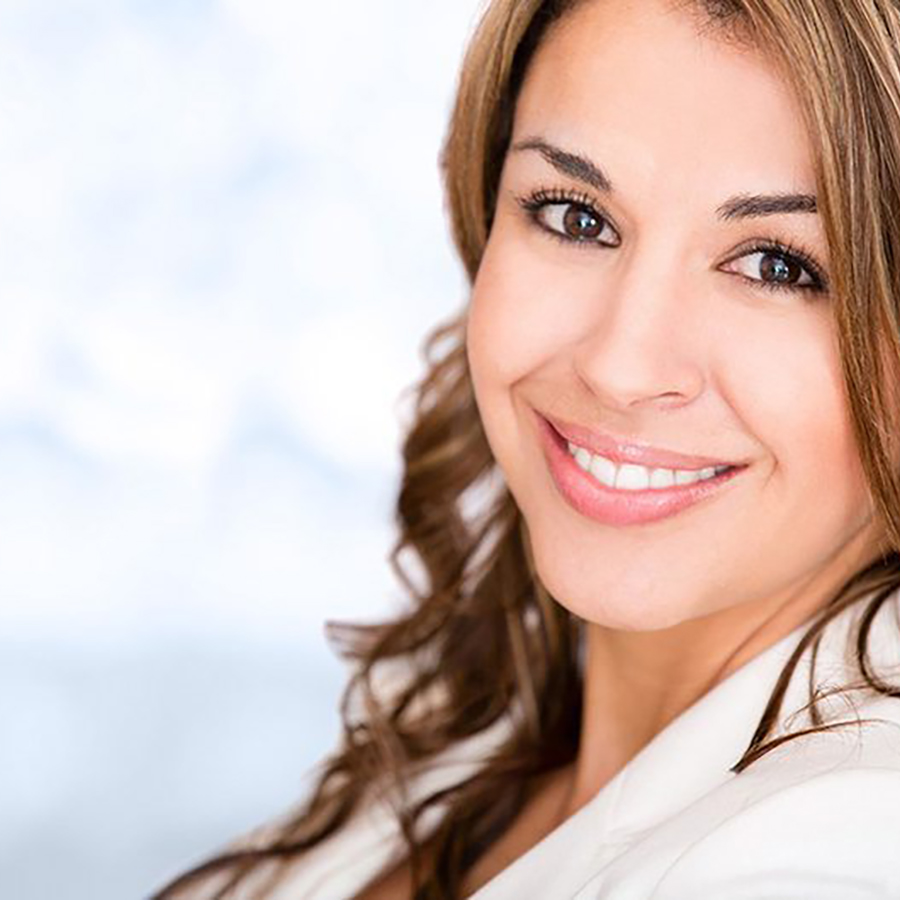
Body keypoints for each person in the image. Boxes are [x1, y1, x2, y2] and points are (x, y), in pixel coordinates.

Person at [152, 0, 900, 897]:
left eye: (779, 265)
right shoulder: (464, 726)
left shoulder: (839, 849)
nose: (621, 366)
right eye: (576, 216)